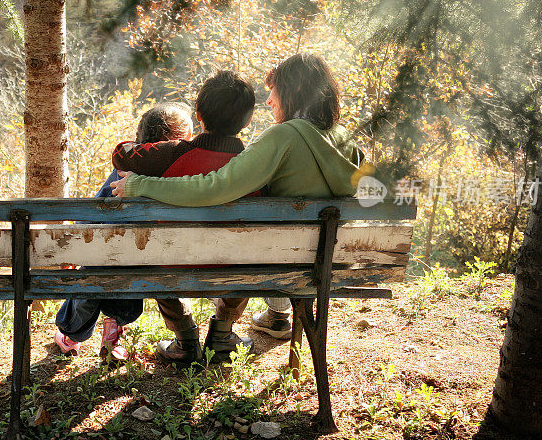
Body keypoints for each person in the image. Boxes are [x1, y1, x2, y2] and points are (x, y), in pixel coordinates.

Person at [111, 53, 365, 346]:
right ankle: (266, 319)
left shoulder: (282, 137)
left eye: (274, 90)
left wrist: (141, 185)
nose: (269, 101)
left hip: (272, 261)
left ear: (294, 91)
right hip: (323, 263)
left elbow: (214, 188)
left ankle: (197, 333)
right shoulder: (345, 139)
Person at [111, 70, 258, 365]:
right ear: (247, 121)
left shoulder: (169, 154)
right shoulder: (253, 163)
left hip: (171, 264)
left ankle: (184, 338)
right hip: (233, 265)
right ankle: (223, 333)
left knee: (154, 253)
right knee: (251, 250)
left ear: (199, 114)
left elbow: (121, 155)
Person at [54, 104, 194, 360]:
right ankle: (114, 326)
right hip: (161, 261)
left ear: (141, 140)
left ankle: (71, 333)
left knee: (99, 266)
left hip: (117, 259)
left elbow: (90, 218)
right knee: (128, 261)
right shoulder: (189, 176)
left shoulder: (124, 173)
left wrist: (73, 250)